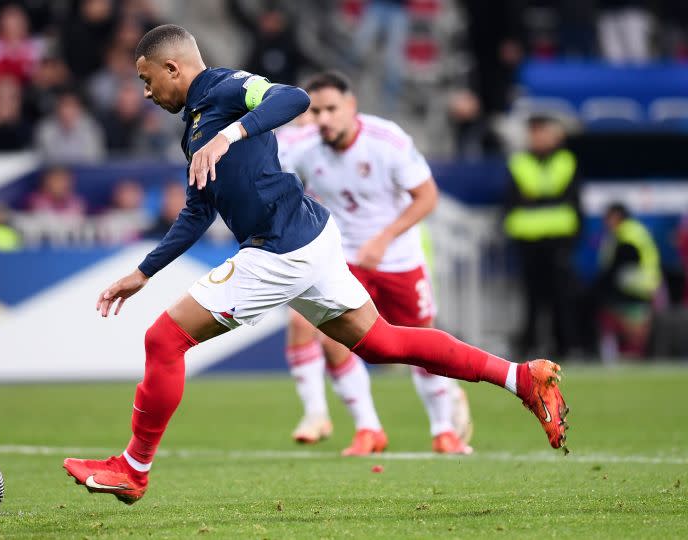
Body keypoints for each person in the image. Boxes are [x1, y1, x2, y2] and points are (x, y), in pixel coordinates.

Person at [63, 24, 568, 505]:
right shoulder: (193, 127)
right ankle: (522, 378)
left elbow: (293, 98)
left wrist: (232, 135)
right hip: (310, 239)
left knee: (164, 340)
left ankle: (133, 469)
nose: (147, 93)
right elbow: (198, 210)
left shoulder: (224, 87)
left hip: (280, 248)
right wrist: (144, 273)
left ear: (173, 68)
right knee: (383, 341)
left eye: (147, 80)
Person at [279, 71, 473, 455]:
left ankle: (443, 430)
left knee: (421, 341)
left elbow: (427, 196)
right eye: (315, 111)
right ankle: (368, 428)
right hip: (343, 257)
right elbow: (258, 163)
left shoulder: (388, 141)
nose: (323, 119)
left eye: (331, 109)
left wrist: (384, 239)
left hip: (398, 257)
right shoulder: (299, 144)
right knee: (334, 337)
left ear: (351, 107)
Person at [502, 115, 582, 357]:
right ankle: (531, 347)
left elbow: (566, 198)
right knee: (532, 298)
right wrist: (546, 198)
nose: (539, 137)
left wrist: (534, 198)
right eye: (535, 132)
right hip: (528, 240)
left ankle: (564, 346)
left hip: (558, 240)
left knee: (560, 296)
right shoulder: (520, 162)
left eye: (543, 132)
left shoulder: (566, 160)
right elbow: (515, 200)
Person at [594, 203, 662, 360]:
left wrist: (600, 285)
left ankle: (620, 348)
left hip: (635, 286)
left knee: (611, 309)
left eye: (608, 218)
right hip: (643, 285)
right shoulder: (632, 231)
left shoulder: (626, 235)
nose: (606, 222)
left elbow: (619, 265)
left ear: (617, 217)